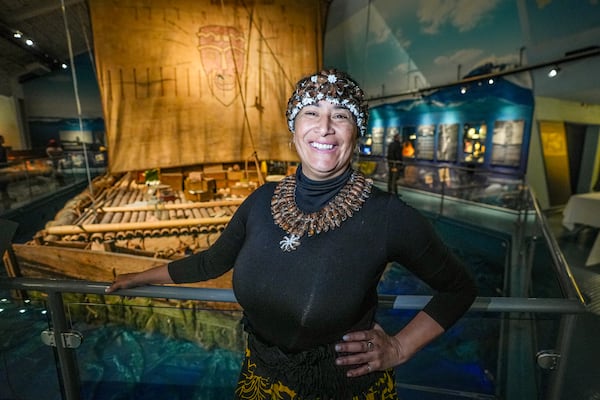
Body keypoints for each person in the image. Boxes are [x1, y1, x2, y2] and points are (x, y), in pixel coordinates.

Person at [106, 69, 477, 399]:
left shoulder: (387, 216)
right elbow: (211, 261)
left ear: (357, 132)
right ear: (294, 128)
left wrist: (398, 348)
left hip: (342, 390)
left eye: (341, 116)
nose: (325, 127)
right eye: (311, 112)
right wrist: (141, 276)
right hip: (259, 381)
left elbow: (458, 288)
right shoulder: (261, 200)